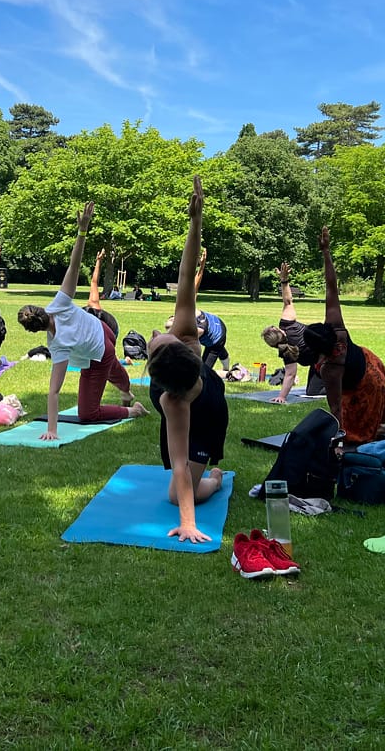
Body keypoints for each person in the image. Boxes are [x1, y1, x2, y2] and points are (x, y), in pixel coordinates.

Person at [17, 202, 146, 440]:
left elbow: (54, 391)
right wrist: (82, 230)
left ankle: (132, 410)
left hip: (99, 348)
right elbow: (74, 266)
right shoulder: (59, 302)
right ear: (41, 310)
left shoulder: (57, 343)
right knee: (112, 368)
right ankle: (126, 391)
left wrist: (52, 430)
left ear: (34, 332)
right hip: (104, 329)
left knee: (87, 413)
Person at [146, 177, 227, 542]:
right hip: (190, 392)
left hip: (210, 409)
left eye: (152, 345)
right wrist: (195, 223)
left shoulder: (171, 395)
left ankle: (214, 478)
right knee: (174, 495)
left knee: (189, 492)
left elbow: (179, 465)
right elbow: (185, 274)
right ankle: (205, 482)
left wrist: (189, 522)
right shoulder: (173, 394)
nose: (151, 337)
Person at [302, 227, 385, 445]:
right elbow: (331, 287)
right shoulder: (336, 327)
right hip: (372, 362)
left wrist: (338, 442)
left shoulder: (331, 368)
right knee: (384, 399)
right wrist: (326, 252)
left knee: (357, 434)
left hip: (364, 385)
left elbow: (336, 408)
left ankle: (383, 431)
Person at [261, 262, 324, 403]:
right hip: (319, 362)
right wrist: (284, 280)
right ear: (280, 331)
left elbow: (290, 375)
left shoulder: (285, 349)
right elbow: (288, 302)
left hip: (329, 354)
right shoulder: (287, 330)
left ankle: (342, 378)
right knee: (313, 392)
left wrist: (282, 396)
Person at [192, 248, 230, 371]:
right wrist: (201, 267)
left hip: (217, 334)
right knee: (220, 350)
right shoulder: (187, 306)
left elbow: (189, 346)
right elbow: (194, 287)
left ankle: (229, 373)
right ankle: (227, 368)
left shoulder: (198, 329)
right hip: (214, 324)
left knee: (204, 371)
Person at [84, 247, 120, 340]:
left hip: (113, 329)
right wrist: (99, 261)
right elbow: (94, 282)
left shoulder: (99, 319)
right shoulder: (93, 302)